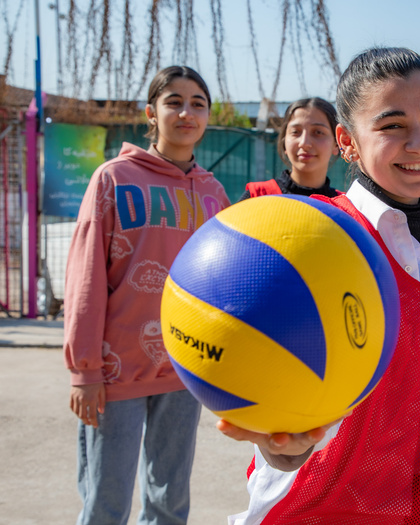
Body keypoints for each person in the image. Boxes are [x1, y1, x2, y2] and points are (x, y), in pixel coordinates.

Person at [218, 47, 420, 524]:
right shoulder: (312, 245)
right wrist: (282, 445)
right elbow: (281, 418)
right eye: (392, 126)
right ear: (347, 142)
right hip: (322, 509)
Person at [64, 65, 231, 525]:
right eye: (174, 101)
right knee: (105, 500)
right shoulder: (113, 178)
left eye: (198, 103)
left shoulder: (215, 194)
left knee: (169, 503)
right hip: (115, 368)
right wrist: (84, 370)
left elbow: (224, 286)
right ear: (151, 114)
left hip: (184, 367)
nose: (186, 112)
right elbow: (86, 278)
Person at [237, 97, 341, 201]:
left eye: (318, 132)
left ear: (336, 144)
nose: (304, 143)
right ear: (284, 143)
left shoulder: (346, 208)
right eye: (295, 132)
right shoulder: (257, 197)